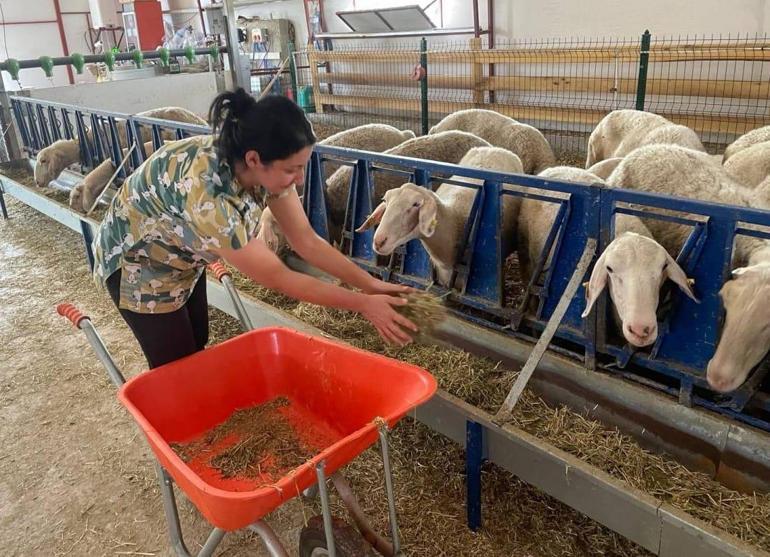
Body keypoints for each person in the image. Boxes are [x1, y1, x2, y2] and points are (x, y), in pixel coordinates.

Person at [91, 88, 416, 368]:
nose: (301, 179)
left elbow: (306, 240)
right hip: (138, 264)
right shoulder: (213, 197)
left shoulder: (267, 172)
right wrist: (362, 304)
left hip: (182, 253)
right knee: (174, 364)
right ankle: (179, 433)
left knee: (197, 342)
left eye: (302, 166)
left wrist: (370, 285)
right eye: (293, 169)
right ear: (255, 159)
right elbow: (278, 276)